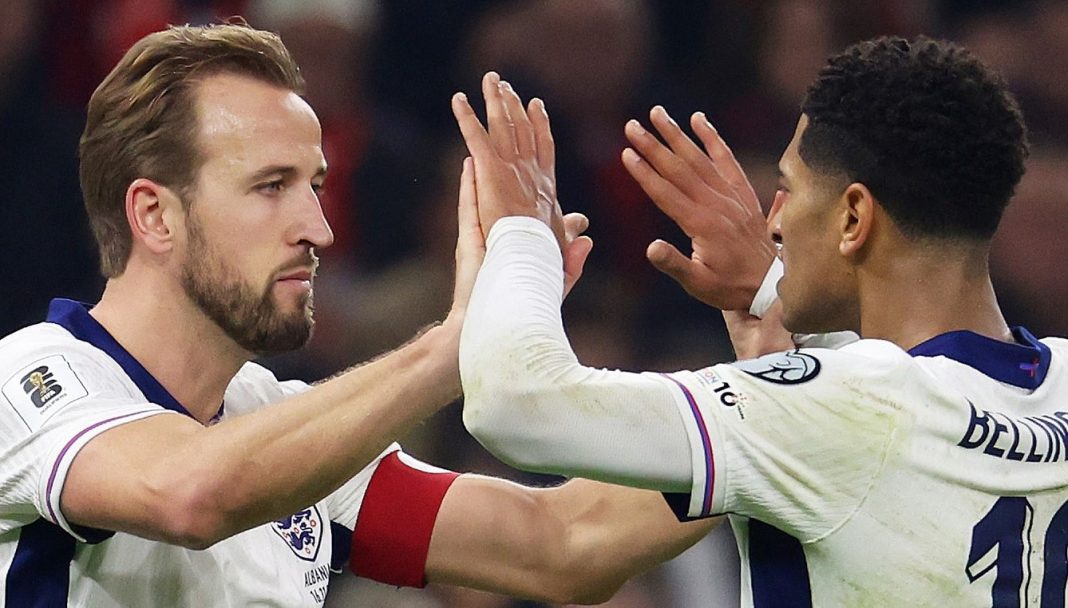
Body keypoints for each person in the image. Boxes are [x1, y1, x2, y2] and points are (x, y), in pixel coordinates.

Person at [0, 22, 718, 607]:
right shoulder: (31, 380)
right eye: (271, 186)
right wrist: (454, 345)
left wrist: (760, 389)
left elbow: (564, 543)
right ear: (155, 215)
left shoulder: (281, 428)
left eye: (314, 186)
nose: (319, 229)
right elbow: (190, 494)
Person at [455, 38, 1068, 605]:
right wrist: (779, 289)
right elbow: (927, 404)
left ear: (853, 218)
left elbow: (515, 400)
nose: (773, 223)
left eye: (788, 189)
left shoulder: (842, 406)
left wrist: (521, 234)